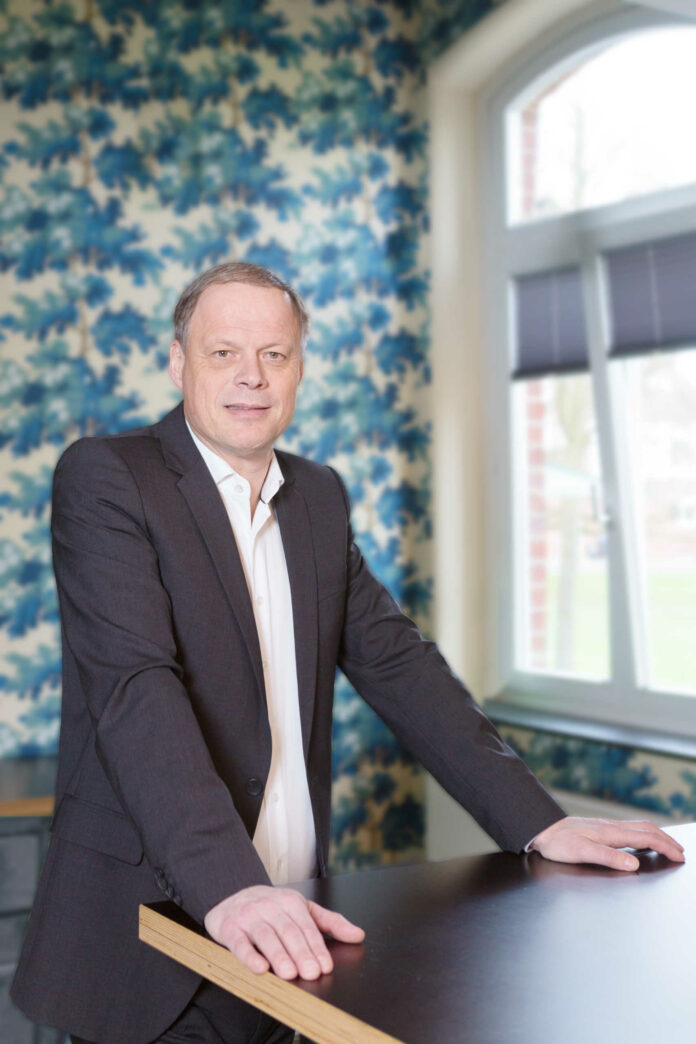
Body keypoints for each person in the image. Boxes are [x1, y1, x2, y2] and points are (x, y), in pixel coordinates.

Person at [11, 262, 684, 1044]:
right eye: (224, 353)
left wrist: (541, 823)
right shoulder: (108, 477)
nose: (252, 377)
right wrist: (230, 888)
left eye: (274, 354)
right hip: (161, 943)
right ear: (177, 362)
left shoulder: (318, 497)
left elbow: (400, 665)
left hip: (294, 932)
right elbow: (137, 690)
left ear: (299, 368)